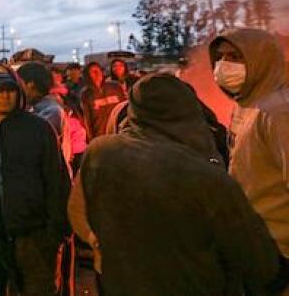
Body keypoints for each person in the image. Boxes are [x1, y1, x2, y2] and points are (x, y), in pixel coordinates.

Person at [69, 74, 287, 295]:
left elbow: (77, 209)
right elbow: (258, 262)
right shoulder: (207, 177)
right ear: (191, 109)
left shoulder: (100, 152)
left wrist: (99, 243)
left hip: (118, 281)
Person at [0, 66, 70, 296]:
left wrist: (55, 234)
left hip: (34, 236)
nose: (5, 95)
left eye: (11, 89)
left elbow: (57, 182)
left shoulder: (38, 128)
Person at [210, 29, 289, 257]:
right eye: (220, 57)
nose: (224, 65)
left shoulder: (278, 111)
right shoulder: (246, 103)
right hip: (258, 243)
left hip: (280, 252)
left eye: (234, 57)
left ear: (260, 60)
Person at [18, 62, 72, 172]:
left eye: (19, 83)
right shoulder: (38, 108)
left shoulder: (51, 111)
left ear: (30, 84)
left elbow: (30, 146)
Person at [79, 62, 125, 140]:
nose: (97, 74)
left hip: (119, 133)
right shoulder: (86, 94)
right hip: (100, 135)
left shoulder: (115, 87)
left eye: (99, 71)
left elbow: (124, 108)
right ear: (88, 75)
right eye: (93, 72)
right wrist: (90, 139)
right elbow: (87, 119)